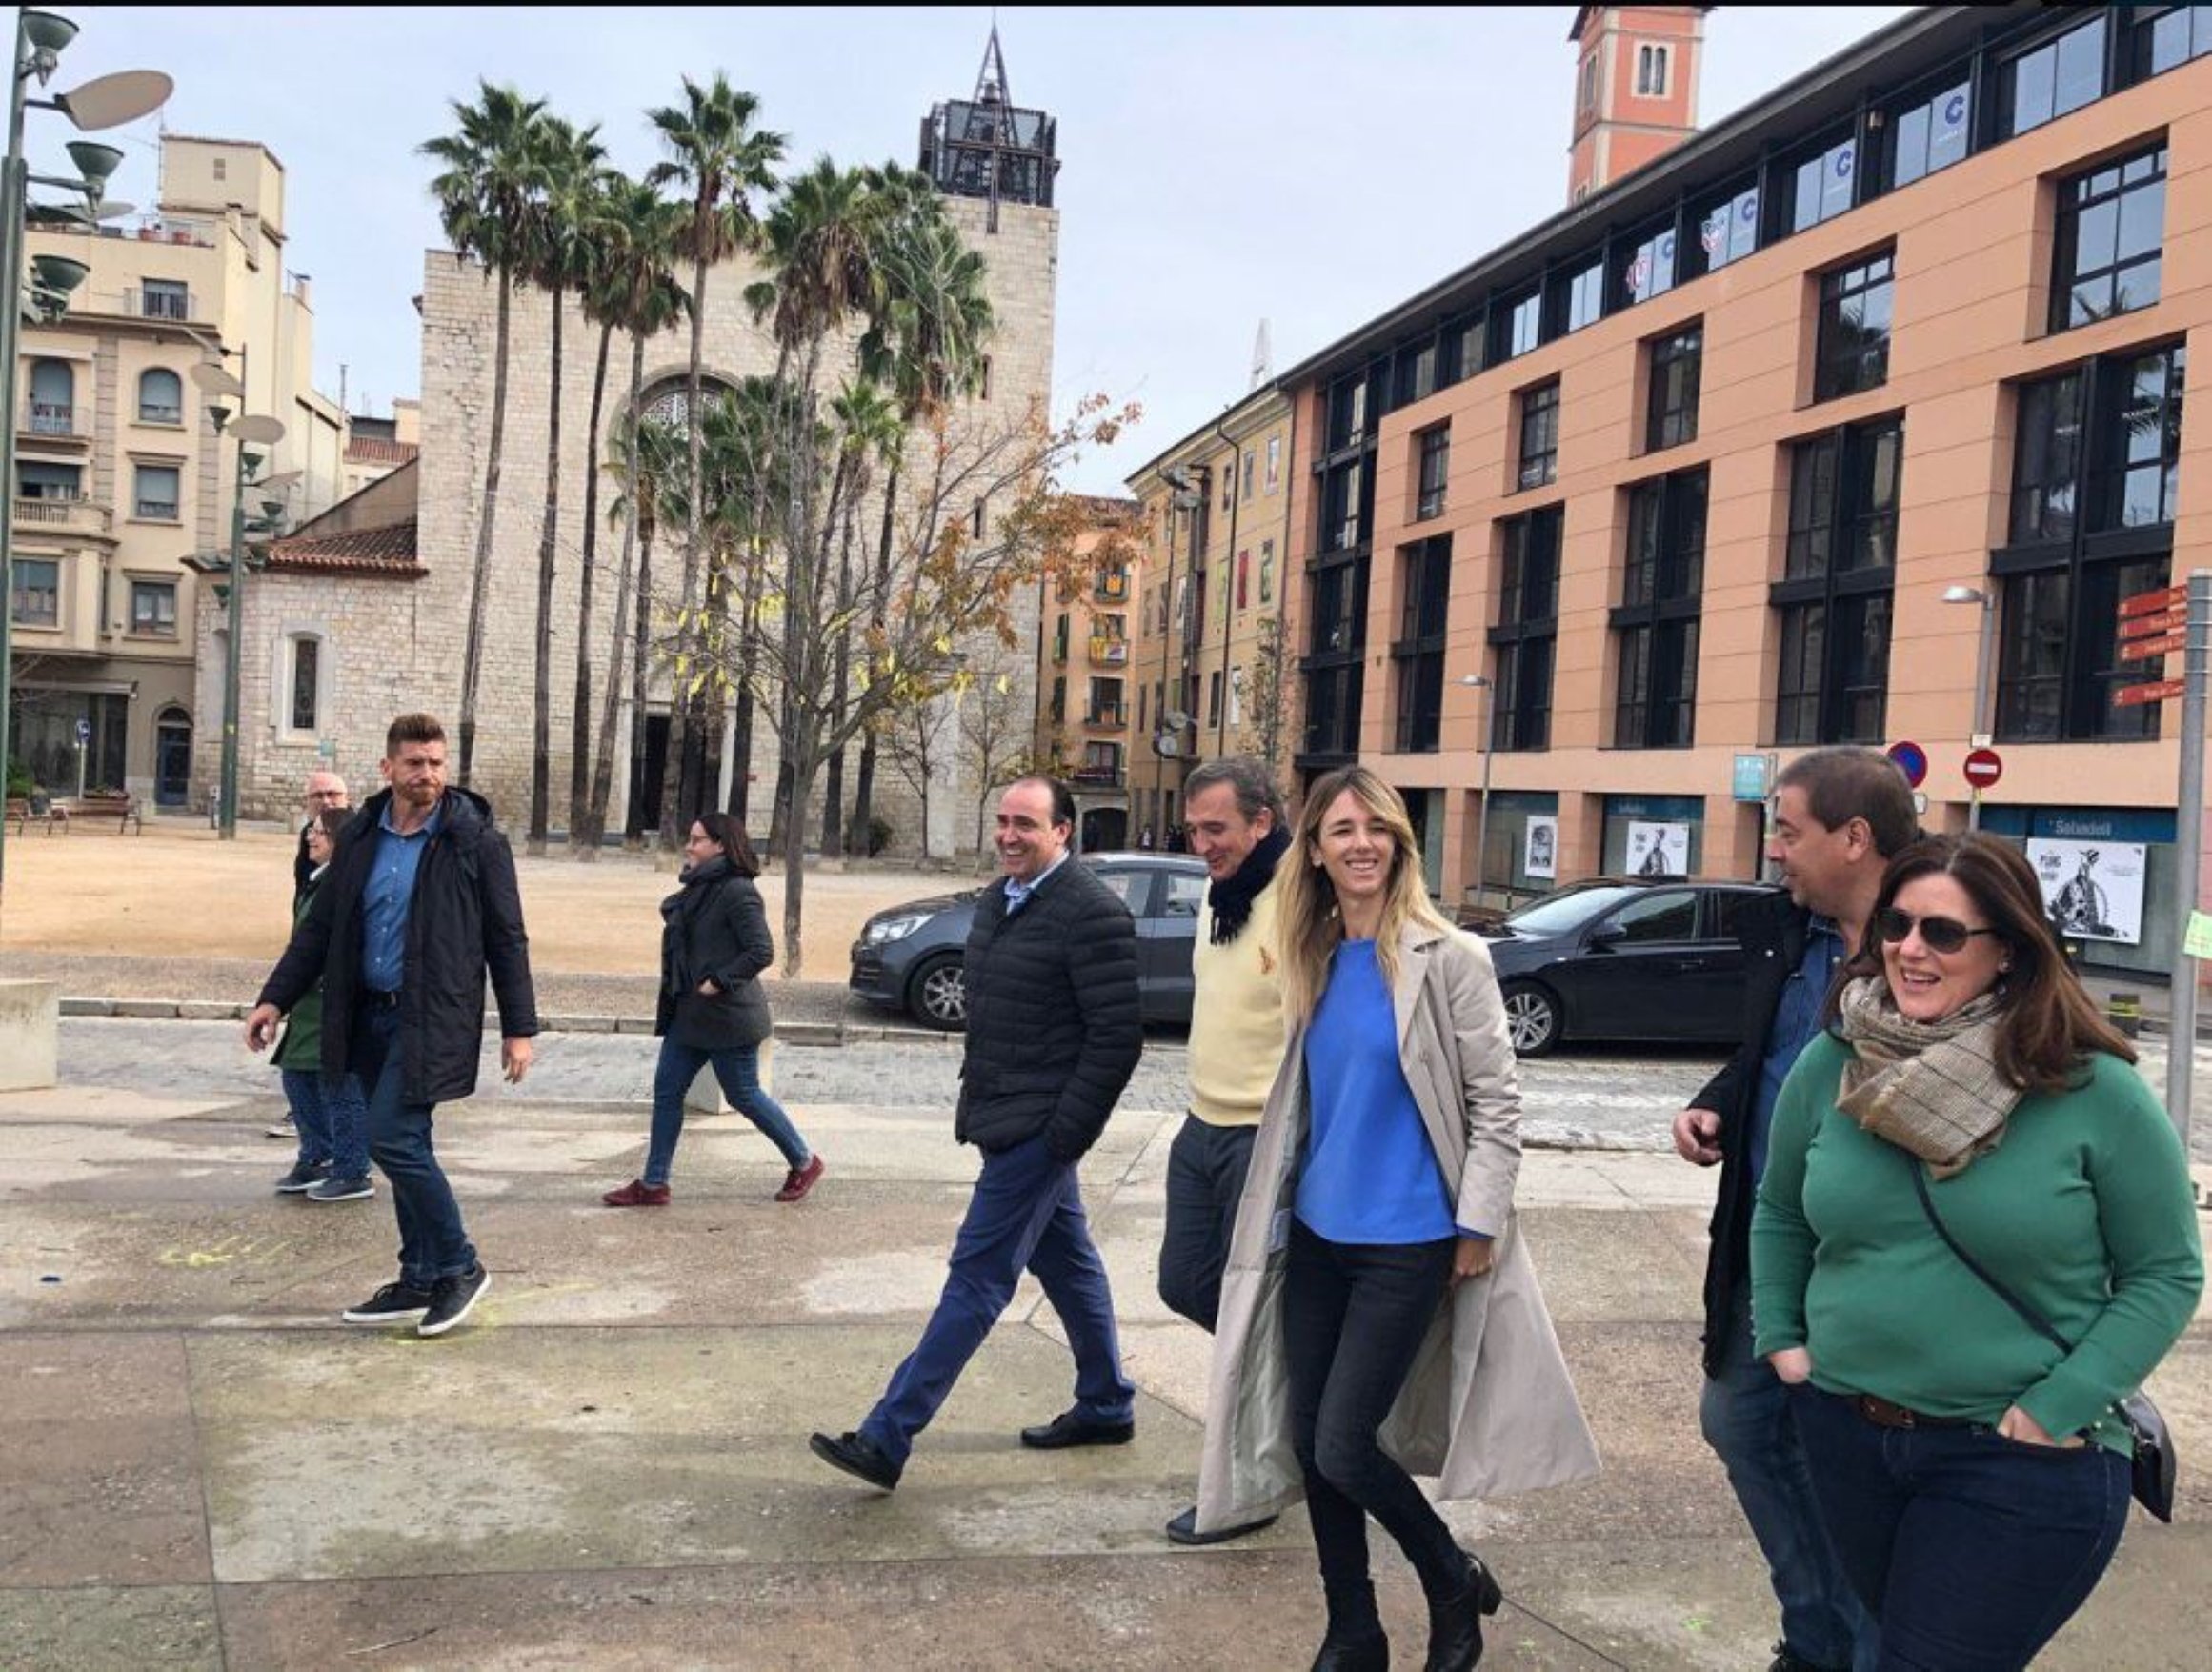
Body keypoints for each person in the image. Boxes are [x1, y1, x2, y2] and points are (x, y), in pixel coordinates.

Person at [1754, 833, 2202, 1670]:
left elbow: (2166, 1270)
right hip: (1849, 1433)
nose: (1910, 949)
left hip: (2018, 1459)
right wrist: (1783, 1338)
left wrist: (2056, 1405)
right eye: (1898, 924)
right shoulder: (1836, 1060)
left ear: (2007, 952)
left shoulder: (2089, 1086)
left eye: (1944, 933)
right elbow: (1780, 1209)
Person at [1196, 766, 1598, 1672]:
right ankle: (1353, 1631)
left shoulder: (1448, 955)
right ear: (1316, 849)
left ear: (1400, 843)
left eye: (1375, 827)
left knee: (1346, 1440)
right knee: (1310, 1440)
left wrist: (1478, 1222)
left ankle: (1451, 1580)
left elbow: (1498, 1102)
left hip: (1410, 1239)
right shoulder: (1310, 949)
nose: (1360, 843)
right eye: (1340, 830)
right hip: (1319, 1234)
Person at [811, 776, 1143, 1490]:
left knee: (976, 1278)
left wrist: (1065, 1136)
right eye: (1002, 820)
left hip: (1038, 1128)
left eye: (1026, 822)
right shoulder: (1002, 899)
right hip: (1001, 1116)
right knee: (1068, 1263)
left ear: (1063, 831)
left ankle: (887, 1434)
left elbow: (1117, 1038)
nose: (1009, 834)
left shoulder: (1091, 911)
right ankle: (1107, 1401)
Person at [1671, 745, 1915, 1672]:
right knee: (1738, 1421)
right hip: (1771, 1242)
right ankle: (1819, 1629)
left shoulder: (1938, 937)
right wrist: (1719, 1105)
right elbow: (1772, 1056)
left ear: (1854, 839)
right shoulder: (1788, 933)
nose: (1774, 849)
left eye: (1788, 829)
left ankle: (1860, 1645)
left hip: (1876, 1266)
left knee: (1850, 1465)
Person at [244, 713, 538, 1340]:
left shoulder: (474, 840)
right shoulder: (361, 838)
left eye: (435, 763)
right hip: (367, 1012)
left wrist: (520, 1028)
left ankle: (460, 1263)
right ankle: (420, 1274)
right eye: (414, 763)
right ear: (388, 767)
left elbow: (506, 938)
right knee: (409, 1144)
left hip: (431, 1016)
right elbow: (322, 928)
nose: (427, 773)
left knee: (390, 1136)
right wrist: (275, 998)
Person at [1156, 755, 1291, 1549]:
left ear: (1262, 822)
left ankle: (1248, 1486)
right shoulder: (1222, 893)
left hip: (1262, 1138)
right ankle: (1302, 1385)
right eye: (1194, 828)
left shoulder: (1300, 898)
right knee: (1185, 1282)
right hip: (1200, 1125)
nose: (1202, 843)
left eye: (1217, 828)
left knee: (1248, 1322)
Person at [602, 813, 823, 1207]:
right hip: (688, 1016)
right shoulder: (696, 888)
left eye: (697, 840)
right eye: (690, 839)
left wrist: (719, 980)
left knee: (745, 1096)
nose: (689, 846)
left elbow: (761, 950)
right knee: (667, 1093)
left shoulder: (737, 891)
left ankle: (804, 1161)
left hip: (728, 1018)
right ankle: (654, 1184)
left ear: (720, 845)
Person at [271, 805, 374, 1204]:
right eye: (310, 831)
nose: (310, 838)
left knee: (339, 1084)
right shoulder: (314, 881)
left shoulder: (348, 886)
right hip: (307, 1004)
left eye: (319, 833)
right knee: (297, 1075)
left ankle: (352, 1167)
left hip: (333, 1000)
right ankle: (317, 1154)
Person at [270, 768, 351, 1140]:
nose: (326, 801)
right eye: (318, 795)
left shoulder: (351, 845)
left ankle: (344, 1158)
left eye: (333, 794)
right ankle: (317, 1143)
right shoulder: (308, 846)